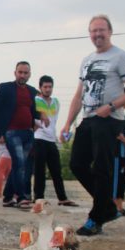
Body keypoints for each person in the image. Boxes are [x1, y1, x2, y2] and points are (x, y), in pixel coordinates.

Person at [60, 14, 125, 236]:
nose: (97, 35)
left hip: (109, 121)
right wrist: (67, 123)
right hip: (88, 119)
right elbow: (79, 94)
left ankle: (95, 219)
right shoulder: (87, 60)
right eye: (93, 31)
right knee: (77, 163)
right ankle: (107, 207)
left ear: (110, 32)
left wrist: (112, 106)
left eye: (101, 30)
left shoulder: (120, 56)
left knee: (103, 169)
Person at [0, 61, 44, 209]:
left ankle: (8, 197)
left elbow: (35, 111)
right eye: (20, 72)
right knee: (20, 164)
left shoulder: (32, 92)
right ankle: (22, 197)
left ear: (29, 74)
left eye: (25, 73)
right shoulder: (5, 88)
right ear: (15, 73)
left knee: (19, 164)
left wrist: (42, 118)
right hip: (11, 132)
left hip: (28, 133)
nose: (22, 75)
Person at [32, 75, 76, 205]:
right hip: (39, 137)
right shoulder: (35, 100)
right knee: (39, 170)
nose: (48, 89)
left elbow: (54, 120)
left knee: (56, 170)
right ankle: (38, 197)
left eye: (50, 87)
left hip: (51, 139)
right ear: (40, 88)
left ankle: (62, 198)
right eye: (45, 87)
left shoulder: (56, 102)